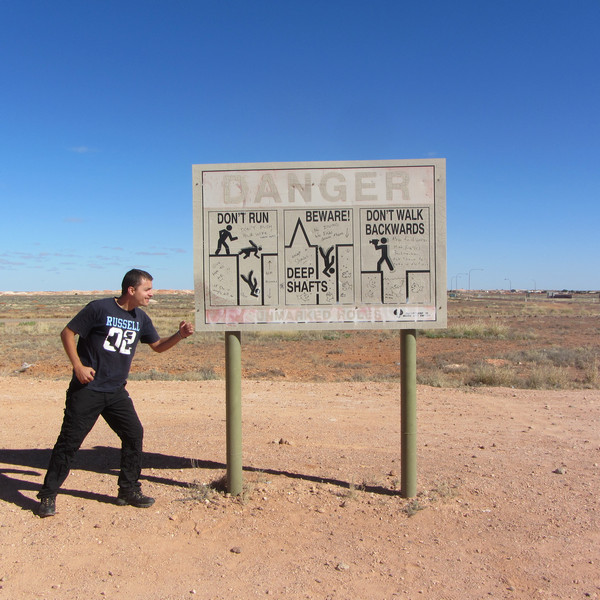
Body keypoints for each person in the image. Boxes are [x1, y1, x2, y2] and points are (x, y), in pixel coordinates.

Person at [37, 269, 194, 518]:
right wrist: (77, 366)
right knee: (69, 443)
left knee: (134, 434)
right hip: (87, 389)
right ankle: (47, 495)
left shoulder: (140, 319)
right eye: (147, 289)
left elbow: (158, 347)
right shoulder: (99, 309)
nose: (151, 294)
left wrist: (179, 335)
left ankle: (128, 490)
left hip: (116, 392)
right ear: (131, 290)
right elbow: (67, 333)